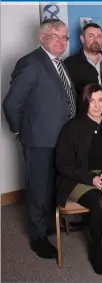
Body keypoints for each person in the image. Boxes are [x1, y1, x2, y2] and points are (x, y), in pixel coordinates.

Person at [2, 18, 76, 259]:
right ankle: (37, 236)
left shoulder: (59, 63)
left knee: (53, 184)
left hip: (61, 139)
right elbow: (12, 103)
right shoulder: (30, 63)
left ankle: (48, 225)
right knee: (37, 187)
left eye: (64, 37)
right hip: (39, 140)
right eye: (55, 36)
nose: (61, 41)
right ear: (42, 37)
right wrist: (19, 131)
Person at [55, 83, 102, 275]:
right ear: (84, 101)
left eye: (100, 100)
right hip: (79, 177)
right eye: (92, 100)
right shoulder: (72, 127)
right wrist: (91, 178)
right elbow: (63, 164)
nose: (96, 105)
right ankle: (96, 250)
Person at [64, 23, 102, 123]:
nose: (96, 40)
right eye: (91, 36)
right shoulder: (70, 64)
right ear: (82, 39)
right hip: (83, 122)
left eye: (99, 36)